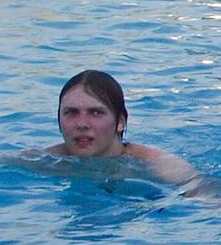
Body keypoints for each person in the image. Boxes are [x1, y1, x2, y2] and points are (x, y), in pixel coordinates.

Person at [37, 69, 198, 186]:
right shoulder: (41, 161)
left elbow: (205, 194)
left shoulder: (155, 164)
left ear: (120, 122)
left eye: (96, 112)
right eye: (71, 112)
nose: (82, 124)